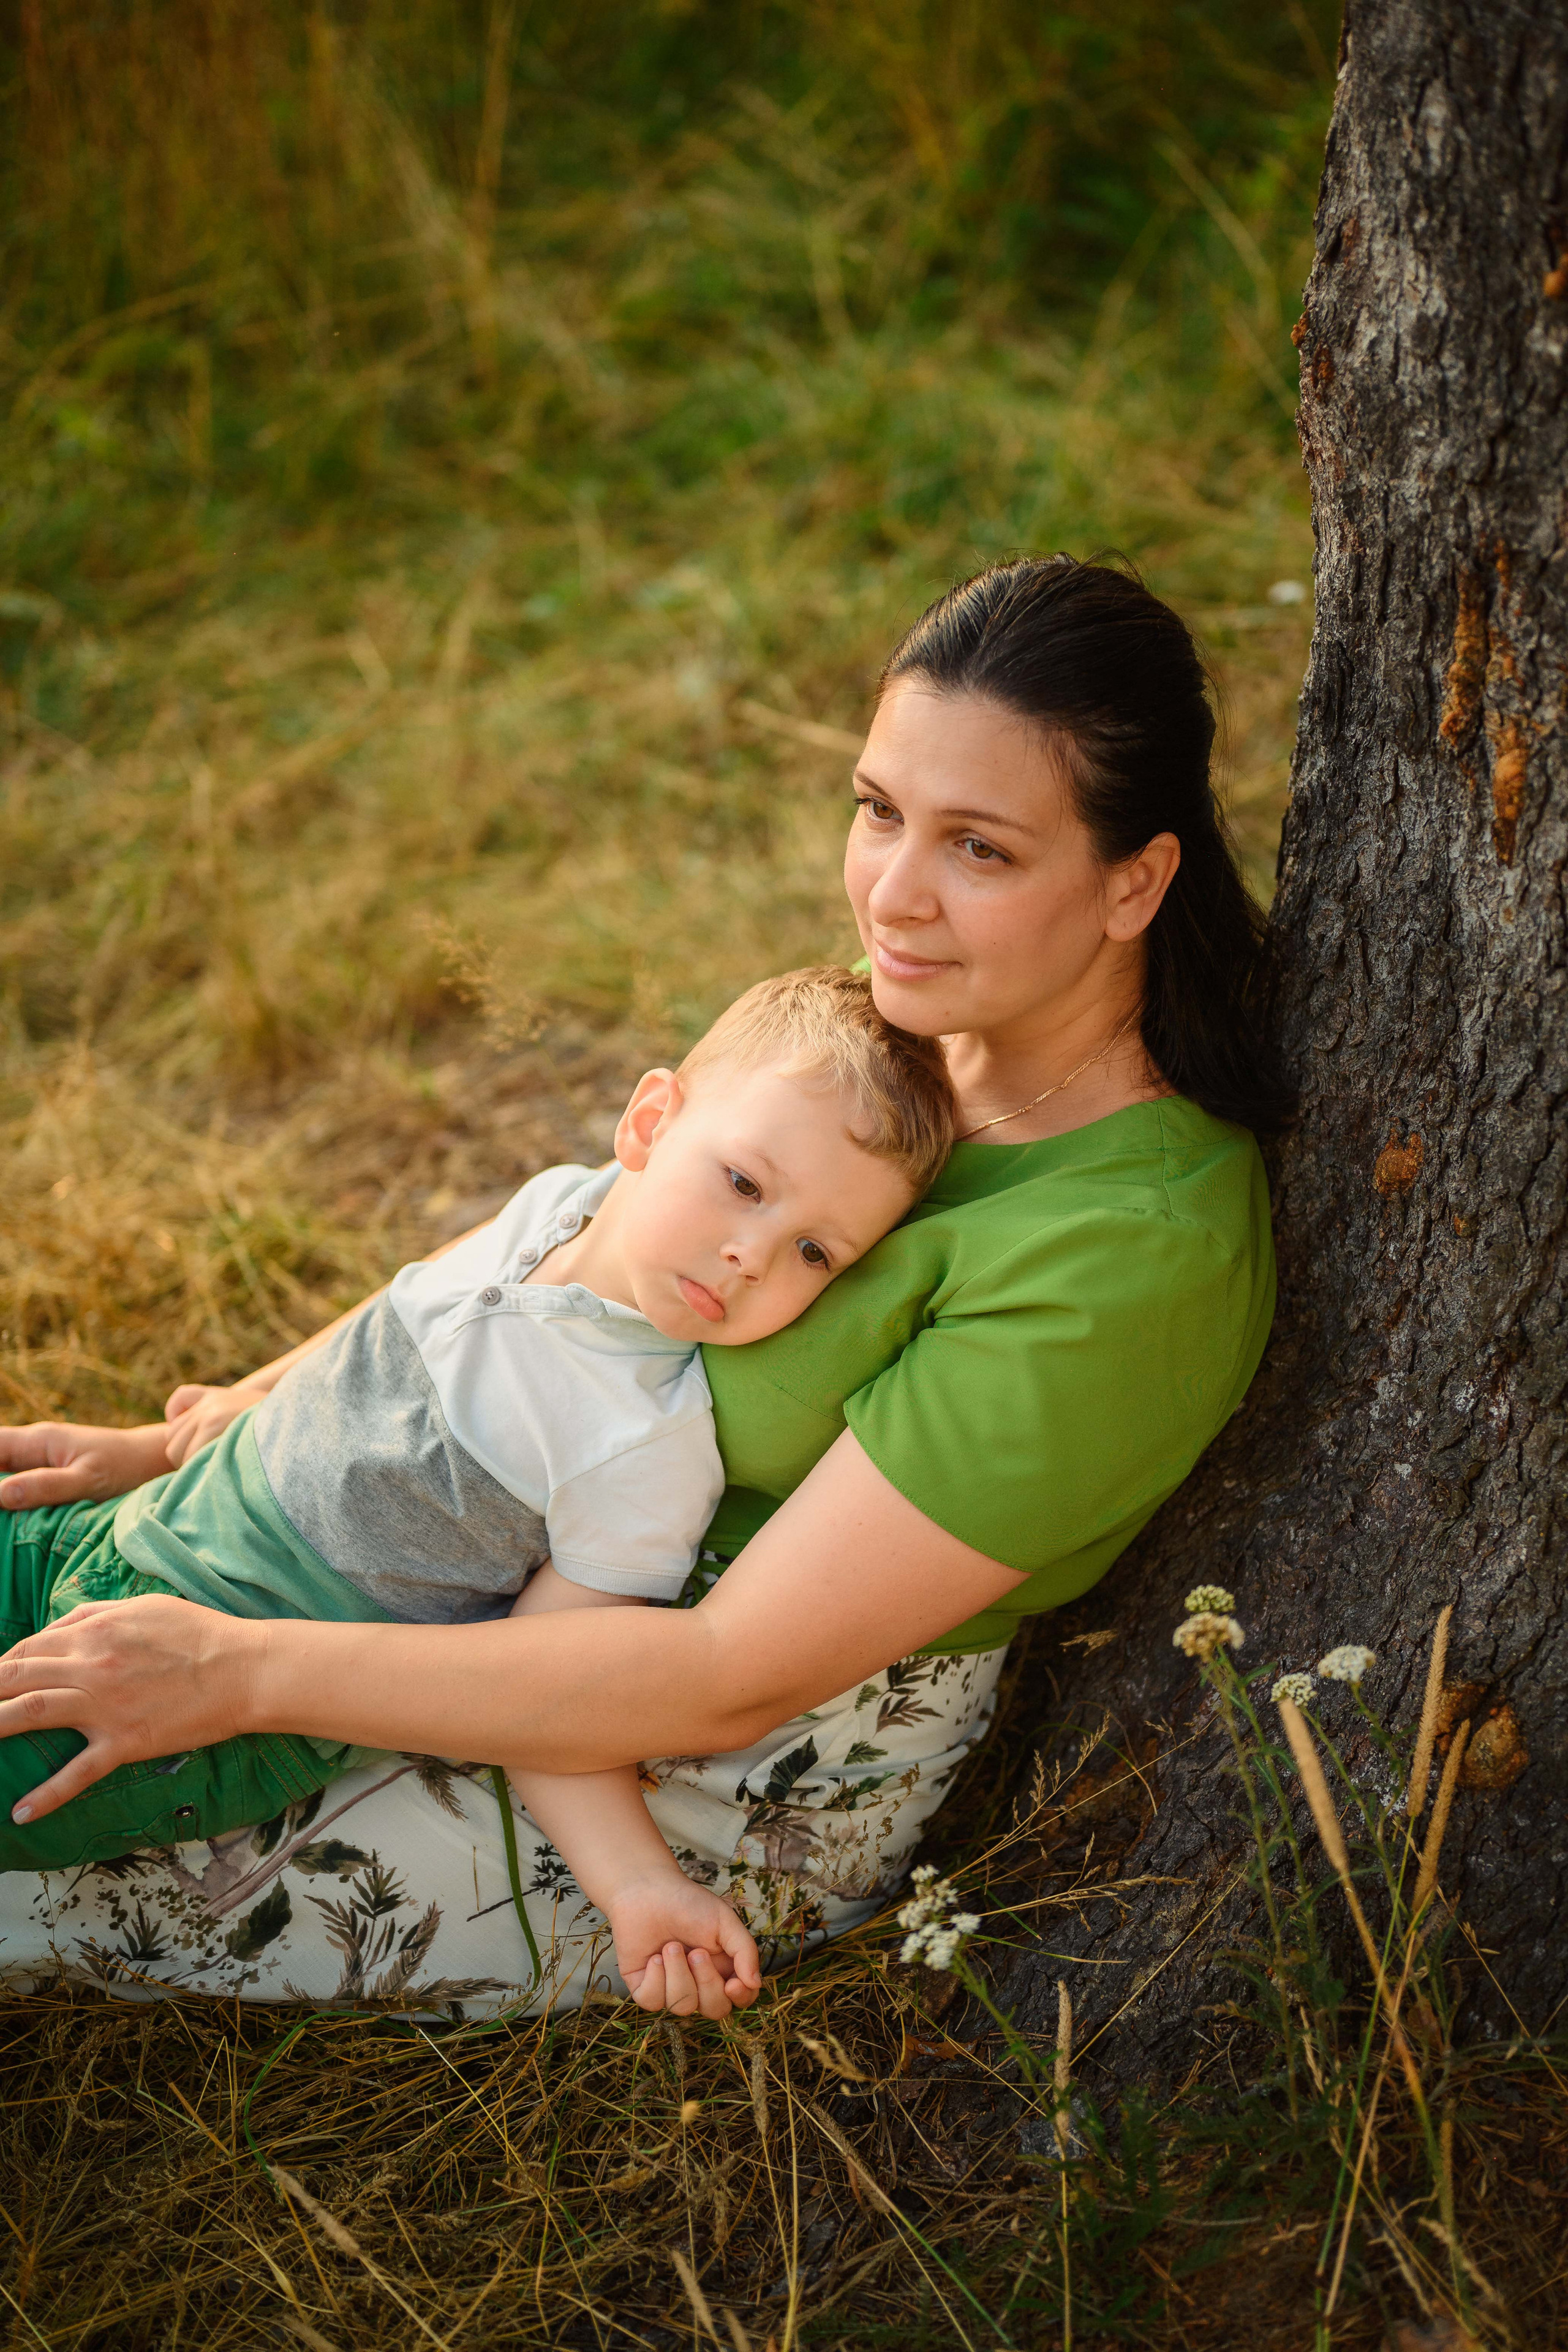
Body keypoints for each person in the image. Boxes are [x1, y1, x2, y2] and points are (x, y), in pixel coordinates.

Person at [0, 554, 1286, 2024]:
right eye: (877, 812)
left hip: (683, 1771)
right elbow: (539, 1255)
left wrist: (237, 1676)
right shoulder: (904, 1041)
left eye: (979, 849)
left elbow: (728, 1673)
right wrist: (203, 1433)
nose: (895, 895)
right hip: (421, 1578)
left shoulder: (1136, 1253)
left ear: (1135, 877)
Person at [0, 968, 953, 2014]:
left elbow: (551, 1694)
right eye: (744, 1183)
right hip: (113, 1538)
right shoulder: (556, 1204)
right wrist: (161, 1442)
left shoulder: (647, 1447)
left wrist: (638, 1888)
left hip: (186, 1708)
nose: (750, 1255)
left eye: (814, 1251)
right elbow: (392, 1309)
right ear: (649, 1122)